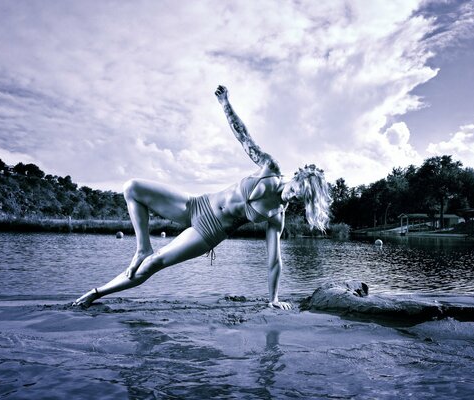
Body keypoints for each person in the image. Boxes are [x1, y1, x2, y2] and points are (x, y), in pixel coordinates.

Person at [73, 85, 331, 310]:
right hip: (197, 205)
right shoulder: (269, 169)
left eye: (301, 198)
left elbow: (274, 260)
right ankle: (142, 246)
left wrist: (273, 298)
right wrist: (225, 104)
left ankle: (96, 293)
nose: (293, 196)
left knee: (154, 263)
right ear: (296, 179)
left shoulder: (277, 215)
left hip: (210, 231)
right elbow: (244, 138)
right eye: (297, 189)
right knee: (132, 188)